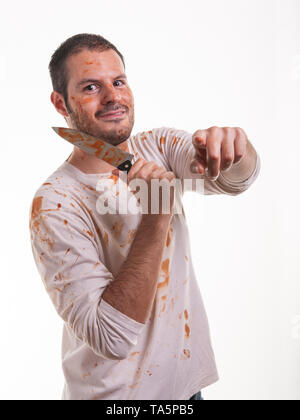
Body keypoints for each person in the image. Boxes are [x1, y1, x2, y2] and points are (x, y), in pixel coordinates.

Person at [29, 33, 261, 400]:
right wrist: (157, 215)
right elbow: (111, 336)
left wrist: (236, 147)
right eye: (91, 87)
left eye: (118, 82)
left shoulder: (158, 147)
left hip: (185, 389)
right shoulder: (56, 202)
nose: (113, 97)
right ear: (61, 103)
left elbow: (236, 181)